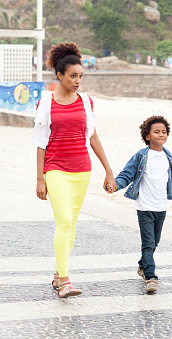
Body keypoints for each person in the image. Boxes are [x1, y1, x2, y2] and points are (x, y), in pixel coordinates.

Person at [33, 42, 116, 298]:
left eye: (81, 76)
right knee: (65, 222)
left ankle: (59, 275)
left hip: (82, 170)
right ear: (59, 75)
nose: (78, 81)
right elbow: (40, 142)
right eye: (73, 76)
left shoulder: (86, 102)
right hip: (55, 169)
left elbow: (93, 138)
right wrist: (40, 179)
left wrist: (109, 171)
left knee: (71, 224)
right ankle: (66, 281)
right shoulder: (46, 103)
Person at [112, 116, 172, 293]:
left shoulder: (167, 156)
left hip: (161, 206)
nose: (161, 135)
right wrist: (115, 184)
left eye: (164, 132)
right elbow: (127, 174)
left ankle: (142, 265)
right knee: (148, 243)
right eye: (156, 132)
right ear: (147, 136)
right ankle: (150, 276)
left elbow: (170, 179)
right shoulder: (141, 156)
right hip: (145, 207)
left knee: (155, 242)